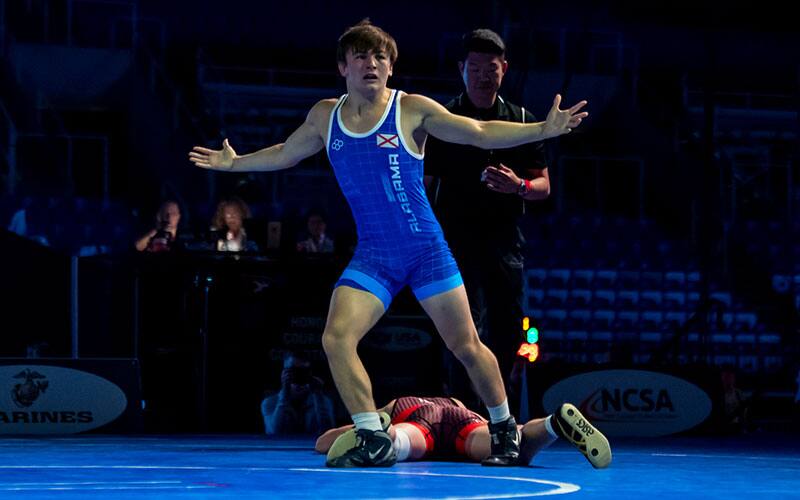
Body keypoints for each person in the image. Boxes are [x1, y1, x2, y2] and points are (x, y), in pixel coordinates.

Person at [189, 19, 587, 468]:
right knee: (337, 338)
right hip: (375, 256)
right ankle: (373, 436)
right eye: (361, 56)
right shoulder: (325, 116)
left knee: (466, 344)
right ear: (343, 67)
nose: (372, 64)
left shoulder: (411, 109)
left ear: (391, 67)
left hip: (425, 250)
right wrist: (235, 163)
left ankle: (503, 430)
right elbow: (285, 153)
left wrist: (542, 130)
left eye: (380, 57)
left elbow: (477, 132)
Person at [424, 29, 551, 411]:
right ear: (461, 69)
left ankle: (499, 410)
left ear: (504, 69)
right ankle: (462, 412)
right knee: (462, 329)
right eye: (475, 68)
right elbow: (423, 184)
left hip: (504, 242)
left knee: (509, 327)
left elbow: (543, 186)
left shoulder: (523, 121)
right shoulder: (443, 120)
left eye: (491, 68)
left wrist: (519, 185)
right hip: (454, 242)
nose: (483, 76)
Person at [316, 395, 611, 469]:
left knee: (401, 439)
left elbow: (323, 442)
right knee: (513, 442)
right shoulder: (454, 401)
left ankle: (388, 435)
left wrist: (355, 430)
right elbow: (486, 423)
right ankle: (553, 424)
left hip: (418, 419)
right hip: (462, 419)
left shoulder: (397, 404)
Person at [261, 352, 336, 435]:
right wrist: (285, 392)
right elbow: (274, 433)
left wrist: (318, 395)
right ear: (283, 373)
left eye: (303, 372)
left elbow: (328, 433)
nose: (299, 376)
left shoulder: (323, 402)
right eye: (294, 372)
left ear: (310, 374)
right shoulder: (270, 403)